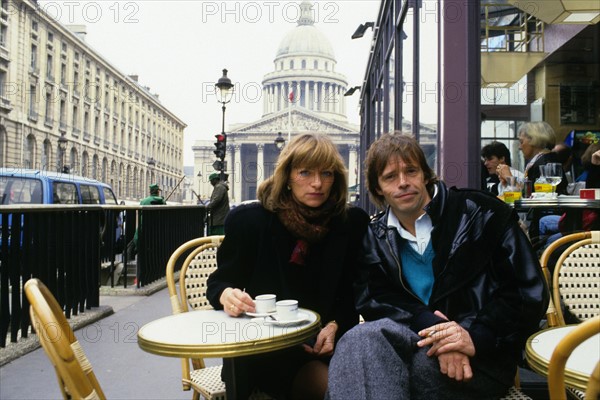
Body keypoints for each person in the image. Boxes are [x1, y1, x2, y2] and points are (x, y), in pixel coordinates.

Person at [326, 133, 548, 400]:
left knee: (386, 370)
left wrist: (471, 337)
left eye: (411, 171)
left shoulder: (482, 213)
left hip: (481, 356)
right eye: (390, 177)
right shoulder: (375, 237)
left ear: (425, 174)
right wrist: (434, 328)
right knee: (357, 340)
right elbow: (376, 299)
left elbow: (527, 293)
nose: (403, 183)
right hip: (411, 342)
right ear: (378, 188)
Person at [206, 133, 369, 399]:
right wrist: (228, 295)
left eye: (326, 173)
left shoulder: (350, 224)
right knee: (341, 391)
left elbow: (357, 294)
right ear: (288, 177)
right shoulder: (252, 222)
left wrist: (336, 325)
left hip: (330, 345)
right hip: (267, 348)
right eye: (305, 173)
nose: (317, 183)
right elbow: (219, 283)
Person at [517, 121, 568, 195]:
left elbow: (535, 196)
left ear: (534, 140)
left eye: (521, 142)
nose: (519, 147)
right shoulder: (546, 159)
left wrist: (510, 180)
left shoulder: (545, 164)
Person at [126, 184, 166, 259]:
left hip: (144, 228)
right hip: (157, 229)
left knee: (133, 244)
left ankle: (130, 258)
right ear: (157, 191)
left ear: (150, 192)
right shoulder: (162, 202)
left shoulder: (143, 201)